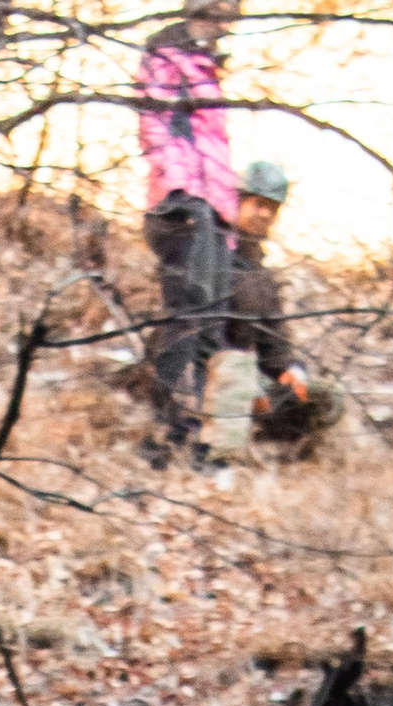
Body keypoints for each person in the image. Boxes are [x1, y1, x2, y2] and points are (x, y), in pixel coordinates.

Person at [137, 3, 237, 443]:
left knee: (211, 320)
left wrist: (224, 217)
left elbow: (212, 146)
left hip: (212, 208)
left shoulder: (207, 66)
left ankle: (198, 434)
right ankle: (164, 429)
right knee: (189, 314)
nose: (228, 21)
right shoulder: (167, 57)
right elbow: (156, 125)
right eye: (221, 10)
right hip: (183, 205)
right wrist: (183, 195)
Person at [222, 156, 343, 447]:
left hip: (252, 380)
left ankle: (269, 445)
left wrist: (291, 370)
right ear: (239, 201)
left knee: (327, 397)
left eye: (272, 209)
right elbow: (203, 338)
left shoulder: (261, 271)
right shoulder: (213, 257)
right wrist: (248, 385)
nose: (265, 214)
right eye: (258, 204)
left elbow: (274, 340)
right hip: (218, 378)